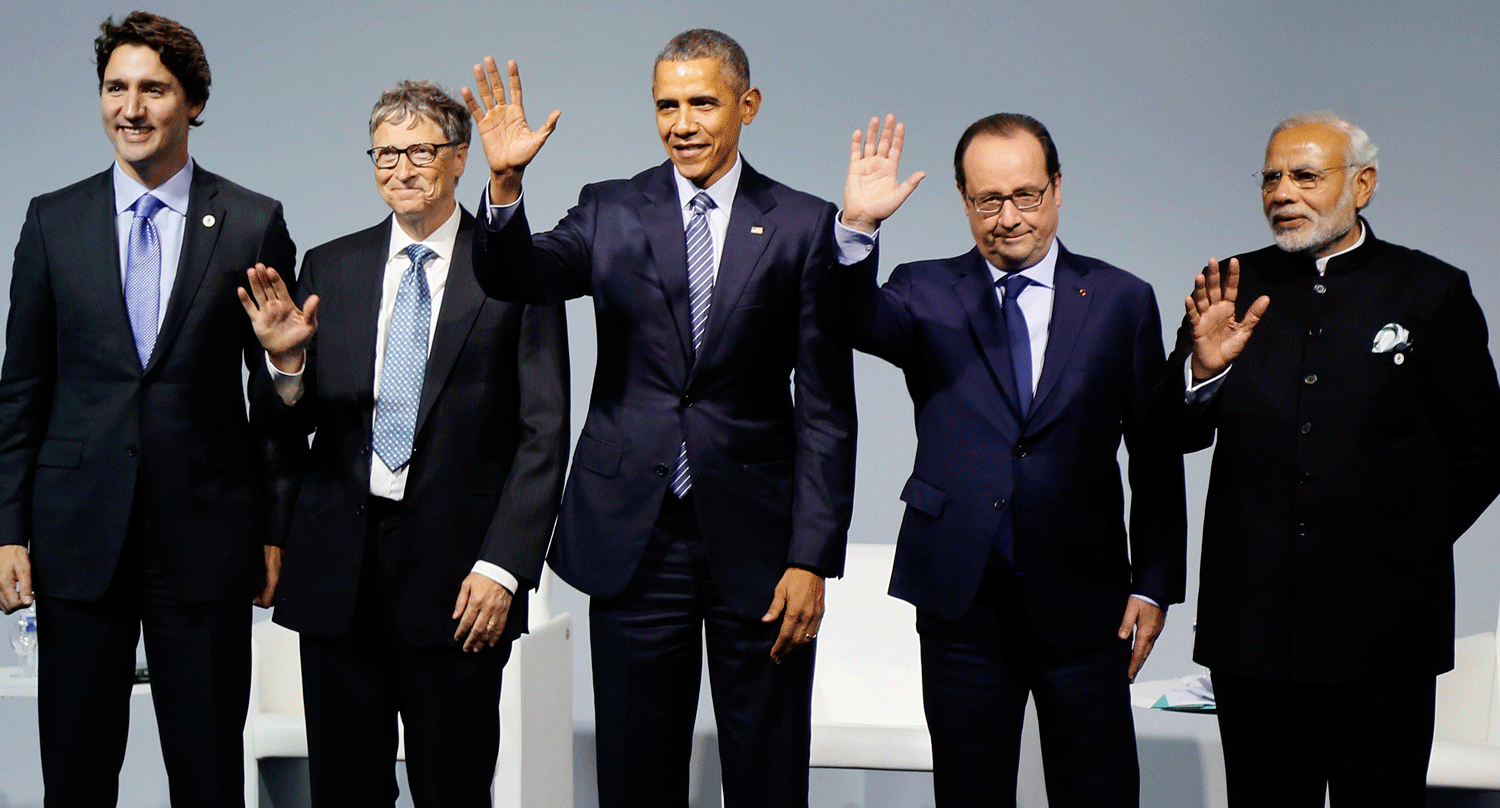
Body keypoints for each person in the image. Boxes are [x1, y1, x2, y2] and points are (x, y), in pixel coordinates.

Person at [461, 29, 857, 808]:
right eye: (666, 105)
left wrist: (812, 556)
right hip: (634, 538)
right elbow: (520, 276)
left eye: (703, 103)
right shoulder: (610, 207)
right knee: (637, 775)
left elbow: (825, 407)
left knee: (768, 775)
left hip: (761, 543)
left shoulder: (804, 224)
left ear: (747, 105)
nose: (683, 123)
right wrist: (504, 187)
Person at [827, 114, 1186, 807]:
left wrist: (1155, 582)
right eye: (988, 200)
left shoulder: (1120, 300)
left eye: (1026, 194)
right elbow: (849, 320)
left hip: (1087, 606)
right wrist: (858, 229)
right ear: (964, 200)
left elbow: (1155, 448)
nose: (1008, 217)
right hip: (963, 601)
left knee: (1100, 793)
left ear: (1057, 189)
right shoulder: (922, 290)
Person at [238, 81, 568, 807]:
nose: (402, 168)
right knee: (344, 792)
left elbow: (543, 433)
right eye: (385, 154)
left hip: (461, 579)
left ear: (458, 160)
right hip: (338, 577)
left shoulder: (515, 270)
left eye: (421, 150)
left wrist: (505, 566)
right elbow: (288, 429)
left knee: (452, 789)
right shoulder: (332, 267)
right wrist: (287, 366)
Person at [0, 12, 296, 805]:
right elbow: (22, 389)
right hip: (76, 540)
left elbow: (270, 398)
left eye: (153, 89)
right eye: (115, 87)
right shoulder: (50, 221)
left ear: (193, 101)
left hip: (204, 542)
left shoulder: (251, 220)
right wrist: (7, 531)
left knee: (206, 777)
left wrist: (274, 528)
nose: (130, 107)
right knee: (77, 775)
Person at [1175, 112, 1500, 807]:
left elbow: (1483, 450)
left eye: (1304, 176)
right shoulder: (1227, 285)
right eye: (1270, 177)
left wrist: (1403, 544)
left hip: (1385, 635)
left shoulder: (1431, 291)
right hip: (1252, 632)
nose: (1281, 191)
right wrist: (1201, 372)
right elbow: (1171, 433)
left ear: (1364, 184)